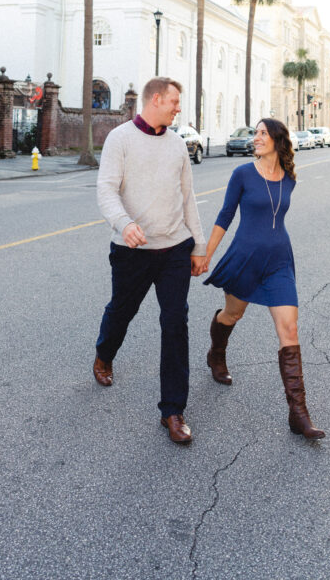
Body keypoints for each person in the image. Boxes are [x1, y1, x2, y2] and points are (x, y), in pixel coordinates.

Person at [93, 77, 206, 445]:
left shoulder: (177, 144)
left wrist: (199, 245)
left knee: (175, 323)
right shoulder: (120, 139)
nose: (178, 108)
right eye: (174, 101)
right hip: (132, 251)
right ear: (156, 99)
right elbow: (106, 190)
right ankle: (104, 353)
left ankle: (172, 410)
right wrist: (123, 224)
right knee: (121, 310)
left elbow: (187, 197)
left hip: (174, 249)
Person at [197, 117, 325, 440]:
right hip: (245, 259)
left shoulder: (289, 178)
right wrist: (206, 254)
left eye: (262, 133)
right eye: (255, 133)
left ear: (277, 140)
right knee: (232, 314)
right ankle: (216, 354)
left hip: (279, 261)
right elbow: (225, 216)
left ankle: (299, 414)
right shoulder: (242, 174)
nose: (256, 138)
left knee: (289, 328)